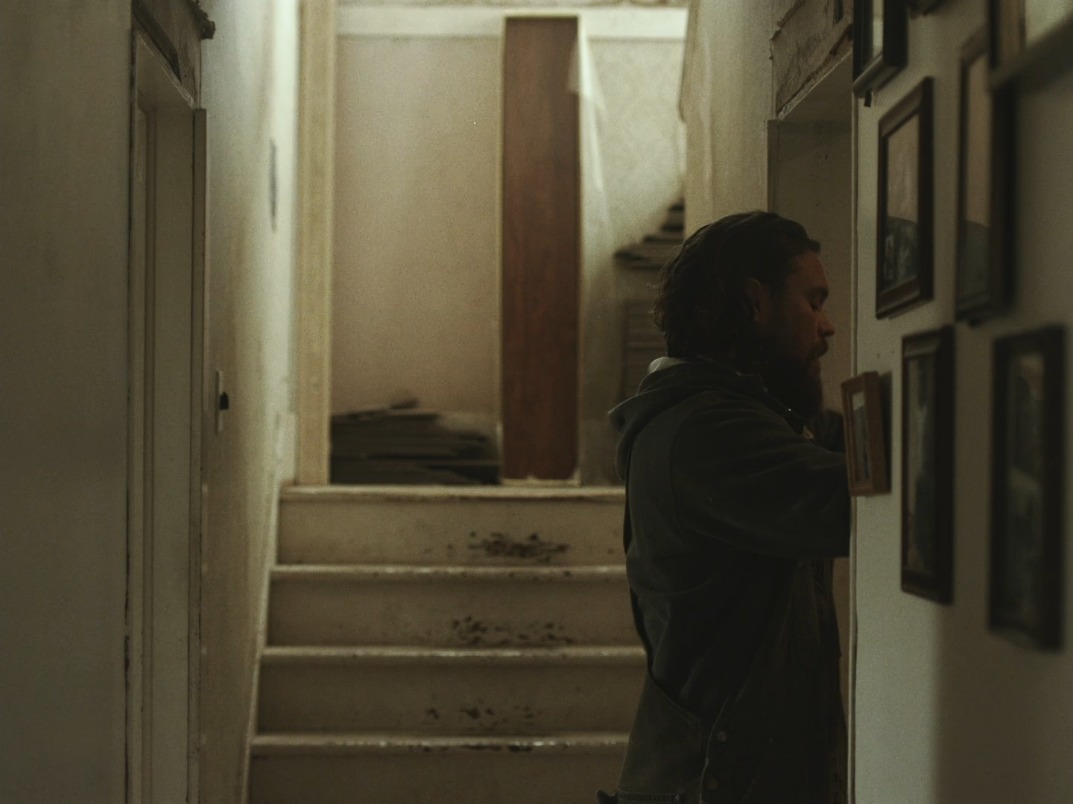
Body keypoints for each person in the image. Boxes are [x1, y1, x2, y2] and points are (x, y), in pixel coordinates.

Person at [601, 211, 850, 804]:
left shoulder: (723, 420)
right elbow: (855, 503)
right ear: (755, 303)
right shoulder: (707, 431)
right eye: (813, 301)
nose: (828, 326)